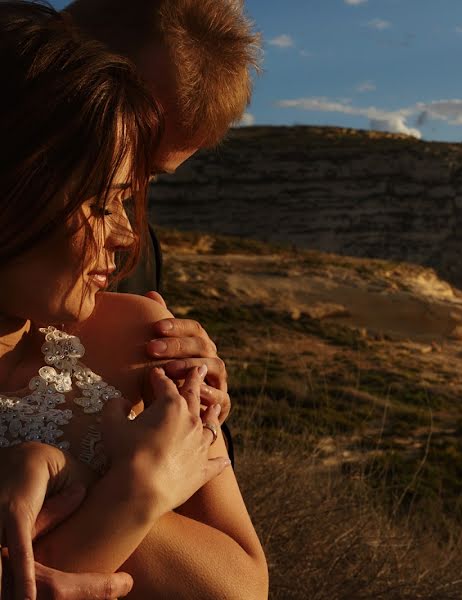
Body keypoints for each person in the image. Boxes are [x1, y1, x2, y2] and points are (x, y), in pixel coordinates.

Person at [0, 2, 267, 599]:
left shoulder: (136, 325)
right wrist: (134, 491)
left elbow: (240, 586)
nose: (128, 226)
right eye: (106, 186)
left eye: (149, 174)